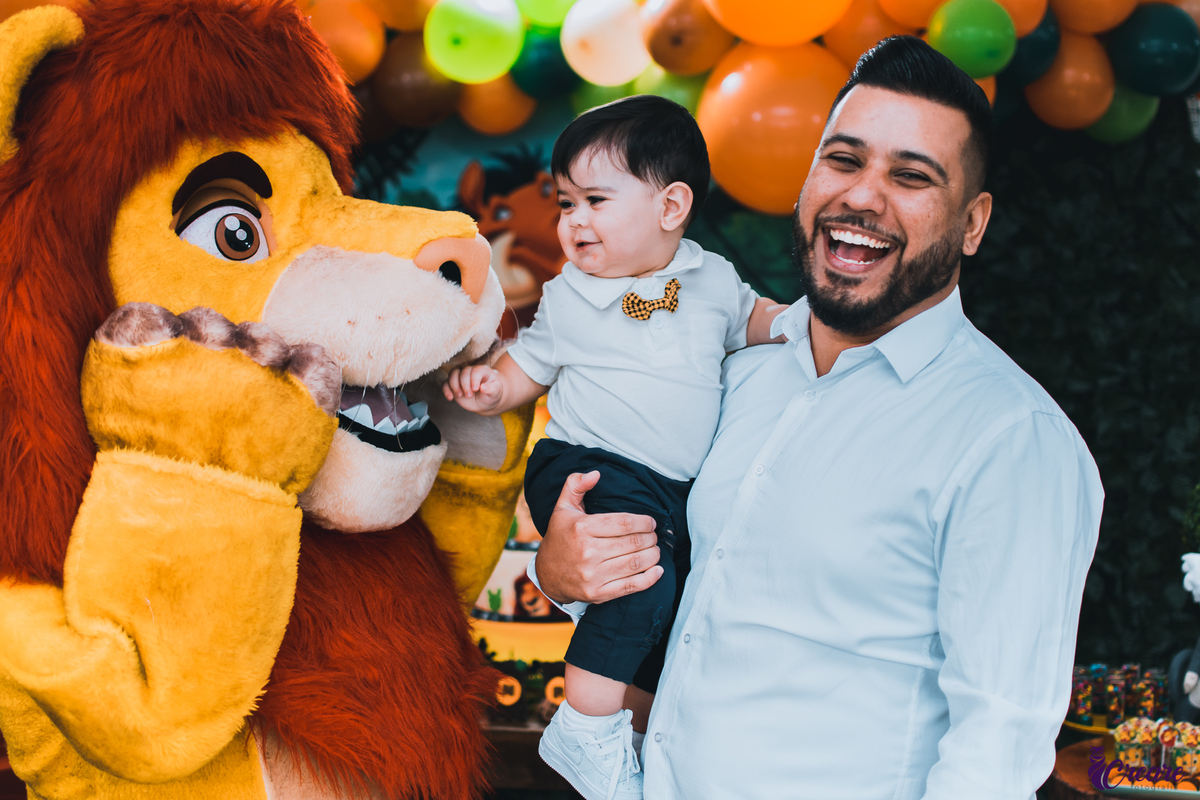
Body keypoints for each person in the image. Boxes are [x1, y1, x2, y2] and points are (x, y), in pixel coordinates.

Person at [529, 37, 1104, 799]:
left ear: (972, 223)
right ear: (807, 181)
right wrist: (559, 571)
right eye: (843, 159)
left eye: (911, 176)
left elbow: (993, 752)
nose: (863, 196)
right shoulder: (735, 373)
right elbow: (682, 575)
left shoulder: (1011, 439)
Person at [442, 95, 787, 800]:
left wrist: (803, 327)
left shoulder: (713, 281)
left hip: (668, 486)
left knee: (672, 602)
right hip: (587, 463)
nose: (573, 222)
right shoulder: (570, 297)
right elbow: (529, 365)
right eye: (565, 203)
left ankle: (633, 725)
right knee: (639, 584)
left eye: (594, 200)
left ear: (670, 207)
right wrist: (488, 386)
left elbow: (758, 320)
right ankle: (585, 729)